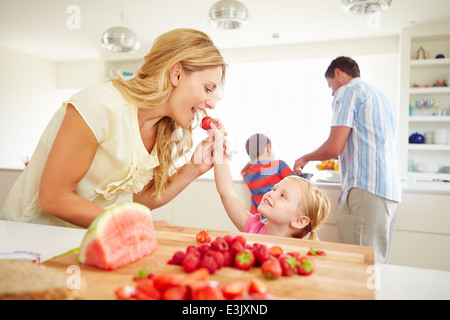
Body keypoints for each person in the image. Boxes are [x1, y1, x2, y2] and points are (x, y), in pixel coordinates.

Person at [0, 28, 227, 228]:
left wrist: (193, 168)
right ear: (176, 74)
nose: (212, 104)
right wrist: (128, 223)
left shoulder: (162, 130)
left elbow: (143, 200)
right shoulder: (101, 104)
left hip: (79, 240)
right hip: (26, 234)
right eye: (208, 89)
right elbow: (54, 198)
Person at [293, 56, 402, 263]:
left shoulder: (348, 91)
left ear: (338, 74)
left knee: (359, 264)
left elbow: (334, 147)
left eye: (330, 85)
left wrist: (305, 157)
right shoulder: (380, 97)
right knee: (376, 264)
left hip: (366, 189)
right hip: (390, 193)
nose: (332, 91)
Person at [211, 120, 330, 239]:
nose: (271, 194)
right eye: (274, 189)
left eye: (283, 195)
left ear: (299, 221)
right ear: (268, 148)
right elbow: (227, 191)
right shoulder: (254, 228)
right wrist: (219, 147)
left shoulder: (248, 173)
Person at [240, 133, 295, 216]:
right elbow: (298, 183)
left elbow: (242, 172)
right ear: (268, 148)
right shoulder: (278, 165)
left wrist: (253, 158)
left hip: (258, 219)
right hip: (279, 217)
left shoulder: (248, 174)